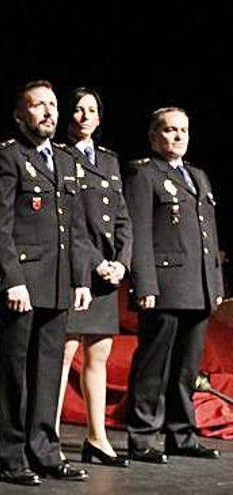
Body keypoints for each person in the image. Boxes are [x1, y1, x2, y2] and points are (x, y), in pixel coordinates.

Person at [0, 80, 95, 486]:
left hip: (59, 281)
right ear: (19, 115)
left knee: (48, 370)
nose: (48, 111)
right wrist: (12, 279)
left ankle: (45, 450)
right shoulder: (5, 157)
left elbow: (76, 227)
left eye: (52, 104)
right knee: (13, 372)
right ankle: (12, 457)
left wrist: (81, 278)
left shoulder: (65, 160)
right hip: (22, 285)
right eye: (37, 105)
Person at [124, 107, 224, 463]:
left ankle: (181, 435)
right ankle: (142, 436)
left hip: (197, 287)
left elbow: (207, 236)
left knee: (186, 368)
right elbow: (138, 232)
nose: (178, 136)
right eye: (169, 130)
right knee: (154, 365)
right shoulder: (144, 174)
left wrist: (214, 282)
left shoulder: (198, 176)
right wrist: (145, 285)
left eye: (183, 130)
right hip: (164, 287)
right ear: (154, 136)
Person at [54, 88, 132, 467]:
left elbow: (122, 218)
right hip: (74, 272)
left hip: (105, 277)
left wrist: (122, 262)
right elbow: (66, 223)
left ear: (99, 118)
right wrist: (94, 262)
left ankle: (97, 438)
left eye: (91, 110)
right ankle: (46, 437)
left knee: (97, 357)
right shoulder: (58, 156)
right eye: (78, 109)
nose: (84, 116)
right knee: (62, 356)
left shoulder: (109, 161)